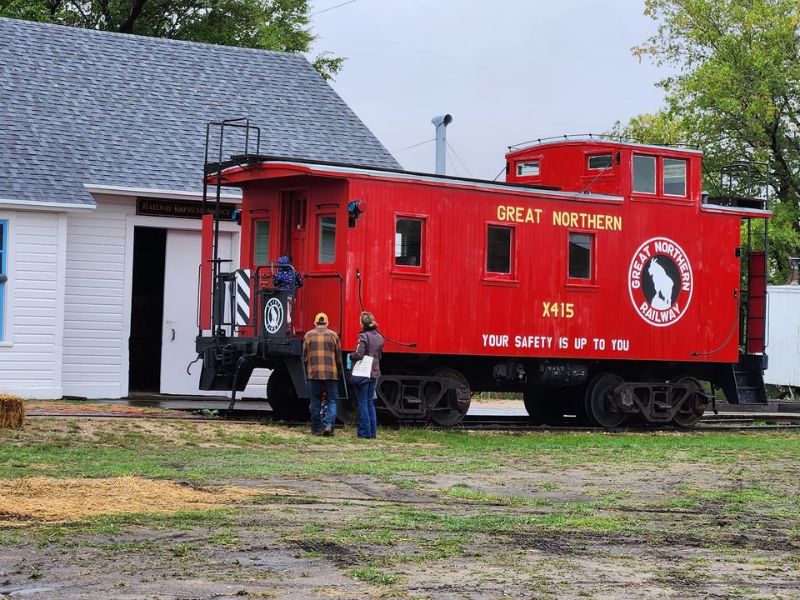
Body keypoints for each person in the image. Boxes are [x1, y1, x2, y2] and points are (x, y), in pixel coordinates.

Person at [303, 312, 341, 436]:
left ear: (315, 323)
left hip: (313, 373)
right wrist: (339, 372)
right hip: (331, 374)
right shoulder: (334, 335)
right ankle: (329, 425)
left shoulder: (308, 335)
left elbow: (304, 357)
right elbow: (338, 357)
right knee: (332, 401)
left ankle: (316, 429)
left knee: (315, 401)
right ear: (327, 323)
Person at [349, 311, 384, 439]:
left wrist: (351, 356)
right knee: (370, 403)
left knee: (362, 403)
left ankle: (364, 433)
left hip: (364, 372)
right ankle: (372, 433)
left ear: (362, 323)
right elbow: (379, 355)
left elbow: (359, 354)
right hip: (375, 372)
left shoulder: (363, 337)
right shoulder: (379, 337)